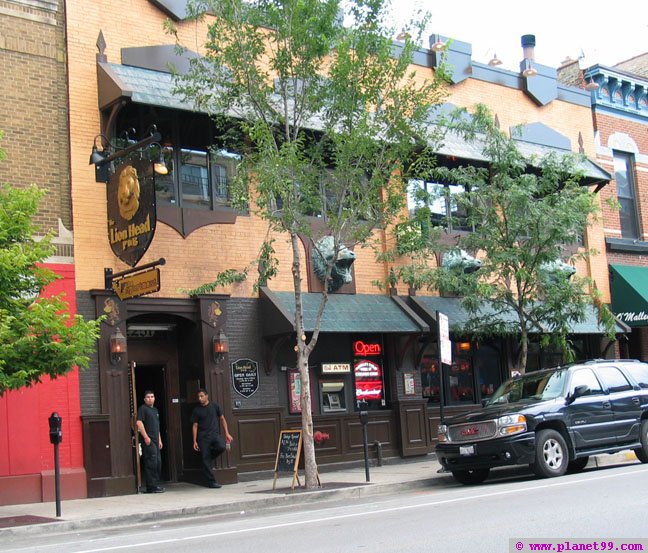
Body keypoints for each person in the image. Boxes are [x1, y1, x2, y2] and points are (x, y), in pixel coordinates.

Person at [191, 388, 233, 489]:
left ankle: (209, 458)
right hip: (203, 437)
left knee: (222, 447)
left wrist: (227, 433)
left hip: (214, 435)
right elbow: (195, 426)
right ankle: (212, 482)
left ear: (207, 396)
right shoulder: (197, 410)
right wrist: (194, 441)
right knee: (205, 460)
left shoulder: (215, 406)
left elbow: (222, 419)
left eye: (201, 396)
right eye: (198, 397)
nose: (200, 398)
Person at [136, 390, 165, 493]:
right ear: (144, 399)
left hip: (156, 441)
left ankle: (155, 484)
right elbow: (139, 423)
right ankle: (151, 487)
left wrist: (160, 440)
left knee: (158, 463)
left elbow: (157, 427)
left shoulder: (155, 410)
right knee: (151, 463)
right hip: (149, 441)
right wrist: (146, 437)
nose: (150, 398)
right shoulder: (142, 409)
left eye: (152, 396)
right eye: (148, 397)